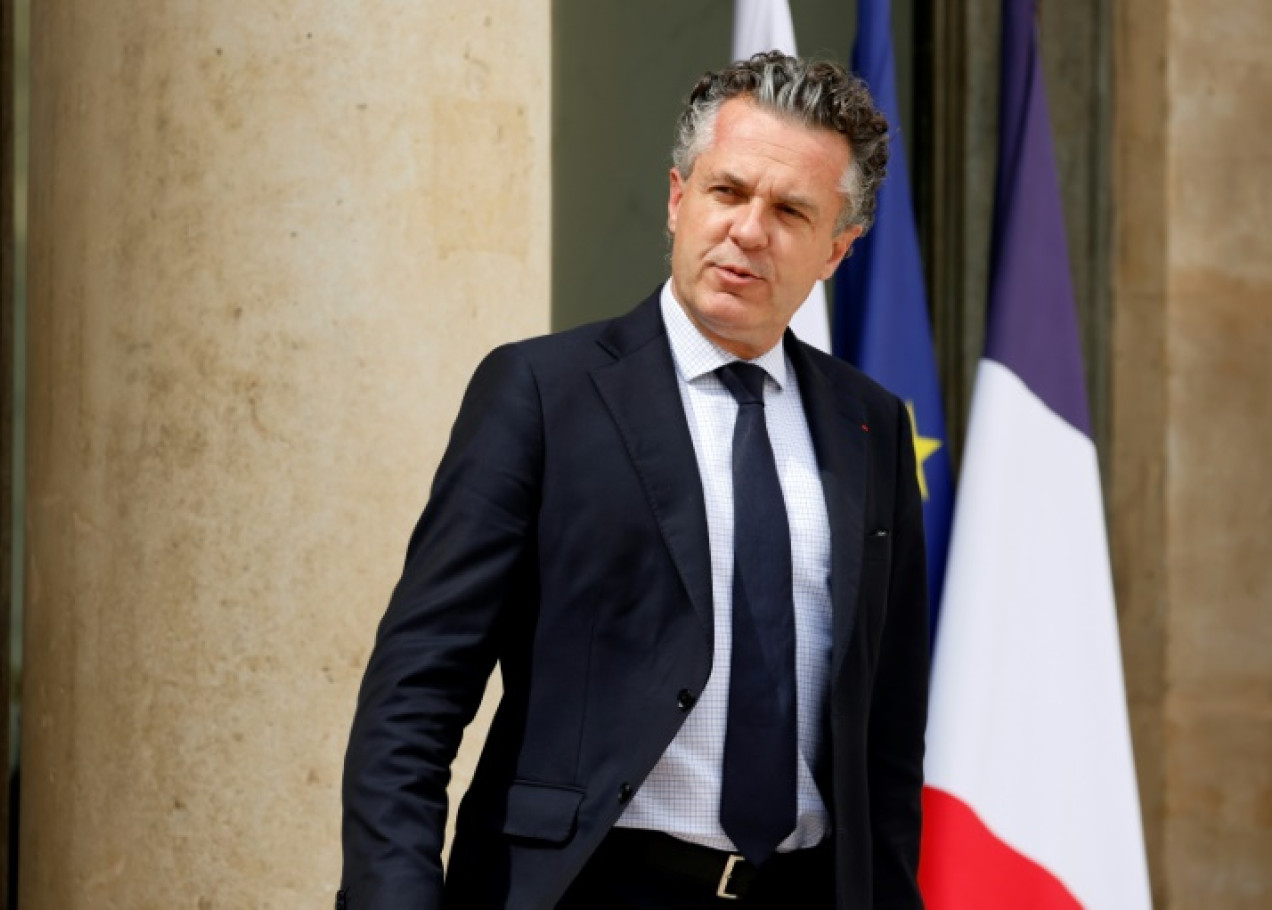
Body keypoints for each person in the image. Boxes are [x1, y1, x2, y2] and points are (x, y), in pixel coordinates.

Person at [338, 52, 928, 910]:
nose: (749, 230)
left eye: (791, 210)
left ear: (837, 249)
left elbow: (886, 737)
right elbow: (416, 696)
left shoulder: (870, 429)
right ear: (678, 198)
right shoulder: (541, 395)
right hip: (587, 887)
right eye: (727, 192)